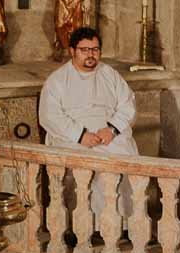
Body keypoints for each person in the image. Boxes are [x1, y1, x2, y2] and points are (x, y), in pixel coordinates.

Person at [38, 26, 138, 156]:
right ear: (72, 51)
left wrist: (113, 129)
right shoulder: (57, 80)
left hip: (109, 136)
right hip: (72, 139)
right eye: (84, 50)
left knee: (126, 156)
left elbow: (128, 104)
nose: (90, 55)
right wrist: (80, 136)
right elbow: (49, 116)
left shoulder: (109, 74)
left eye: (95, 50)